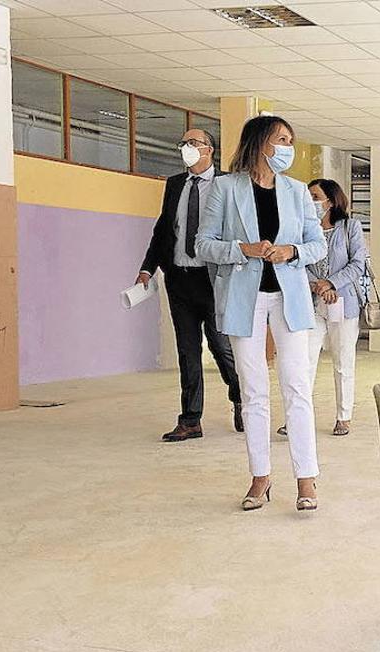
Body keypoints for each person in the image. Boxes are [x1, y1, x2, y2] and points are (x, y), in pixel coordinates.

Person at [195, 115, 326, 512]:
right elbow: (203, 245)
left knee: (297, 386)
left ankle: (307, 479)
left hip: (289, 298)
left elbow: (316, 243)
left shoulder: (298, 190)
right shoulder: (224, 187)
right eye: (281, 139)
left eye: (290, 139)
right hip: (244, 299)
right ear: (259, 142)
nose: (287, 146)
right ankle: (260, 477)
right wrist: (243, 249)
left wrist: (294, 252)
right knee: (253, 391)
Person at [136, 128, 242, 442]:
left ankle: (241, 398)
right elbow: (163, 229)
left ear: (209, 150)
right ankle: (191, 419)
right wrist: (147, 267)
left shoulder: (227, 184)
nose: (186, 147)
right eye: (183, 142)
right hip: (178, 278)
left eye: (192, 143)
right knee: (187, 351)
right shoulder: (175, 184)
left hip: (212, 279)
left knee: (221, 346)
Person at [278, 178, 367, 437]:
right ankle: (296, 418)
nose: (311, 202)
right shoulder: (302, 230)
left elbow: (357, 263)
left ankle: (343, 416)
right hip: (312, 303)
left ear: (331, 200)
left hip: (343, 303)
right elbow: (296, 261)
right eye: (309, 197)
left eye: (316, 197)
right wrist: (317, 285)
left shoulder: (350, 227)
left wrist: (331, 284)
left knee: (342, 362)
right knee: (303, 362)